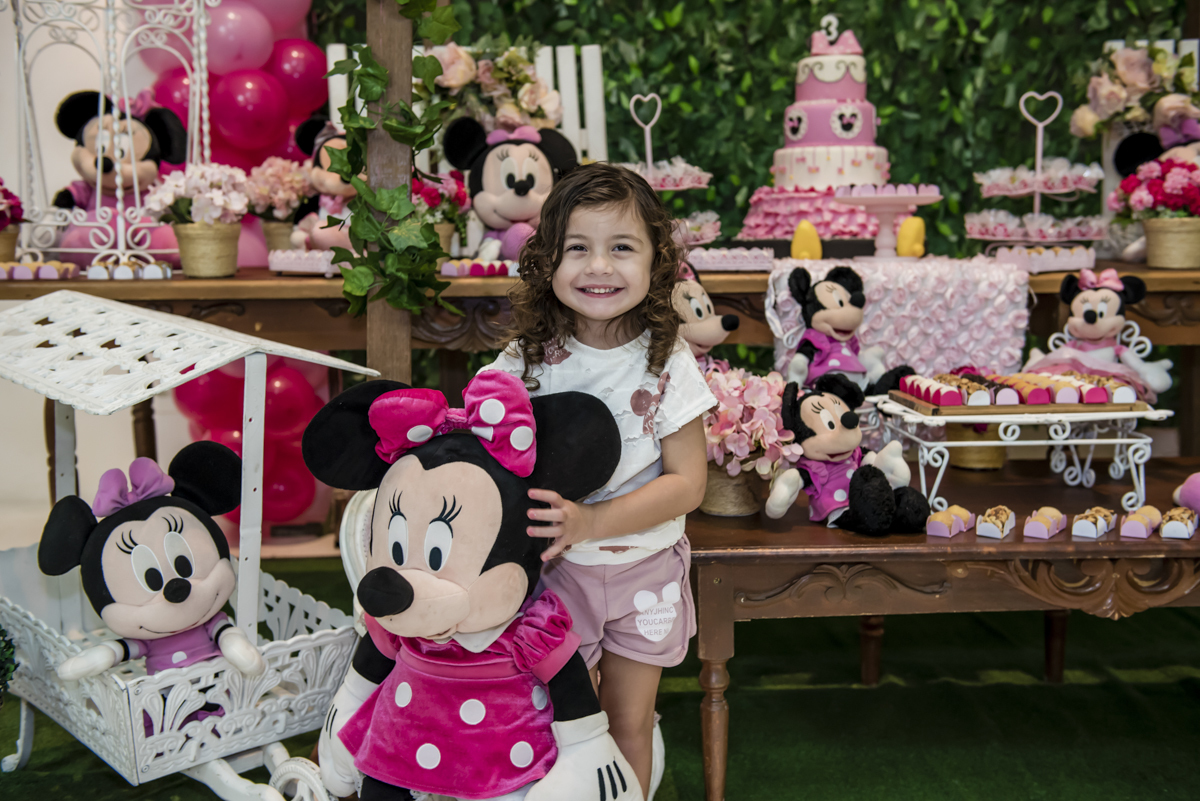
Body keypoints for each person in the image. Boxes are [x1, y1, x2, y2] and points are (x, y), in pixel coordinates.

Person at [478, 162, 714, 798]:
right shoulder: (528, 358)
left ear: (656, 262)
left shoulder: (666, 359)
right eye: (577, 248)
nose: (599, 267)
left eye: (622, 248)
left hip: (645, 572)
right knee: (558, 718)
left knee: (628, 723)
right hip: (557, 575)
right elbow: (483, 443)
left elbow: (689, 483)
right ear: (547, 259)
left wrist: (595, 521)